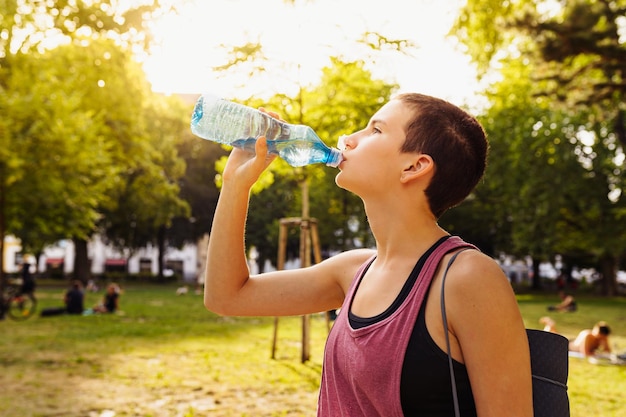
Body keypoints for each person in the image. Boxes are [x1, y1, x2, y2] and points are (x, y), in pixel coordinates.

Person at [203, 93, 533, 416]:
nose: (348, 139)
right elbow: (227, 296)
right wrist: (234, 185)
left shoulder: (468, 278)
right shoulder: (353, 271)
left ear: (414, 166)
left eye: (375, 130)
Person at [541, 317, 612, 357]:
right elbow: (585, 353)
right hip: (568, 346)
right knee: (551, 337)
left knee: (557, 336)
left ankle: (551, 326)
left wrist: (605, 343)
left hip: (571, 343)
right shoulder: (588, 335)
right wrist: (597, 354)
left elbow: (608, 353)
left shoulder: (602, 338)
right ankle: (550, 326)